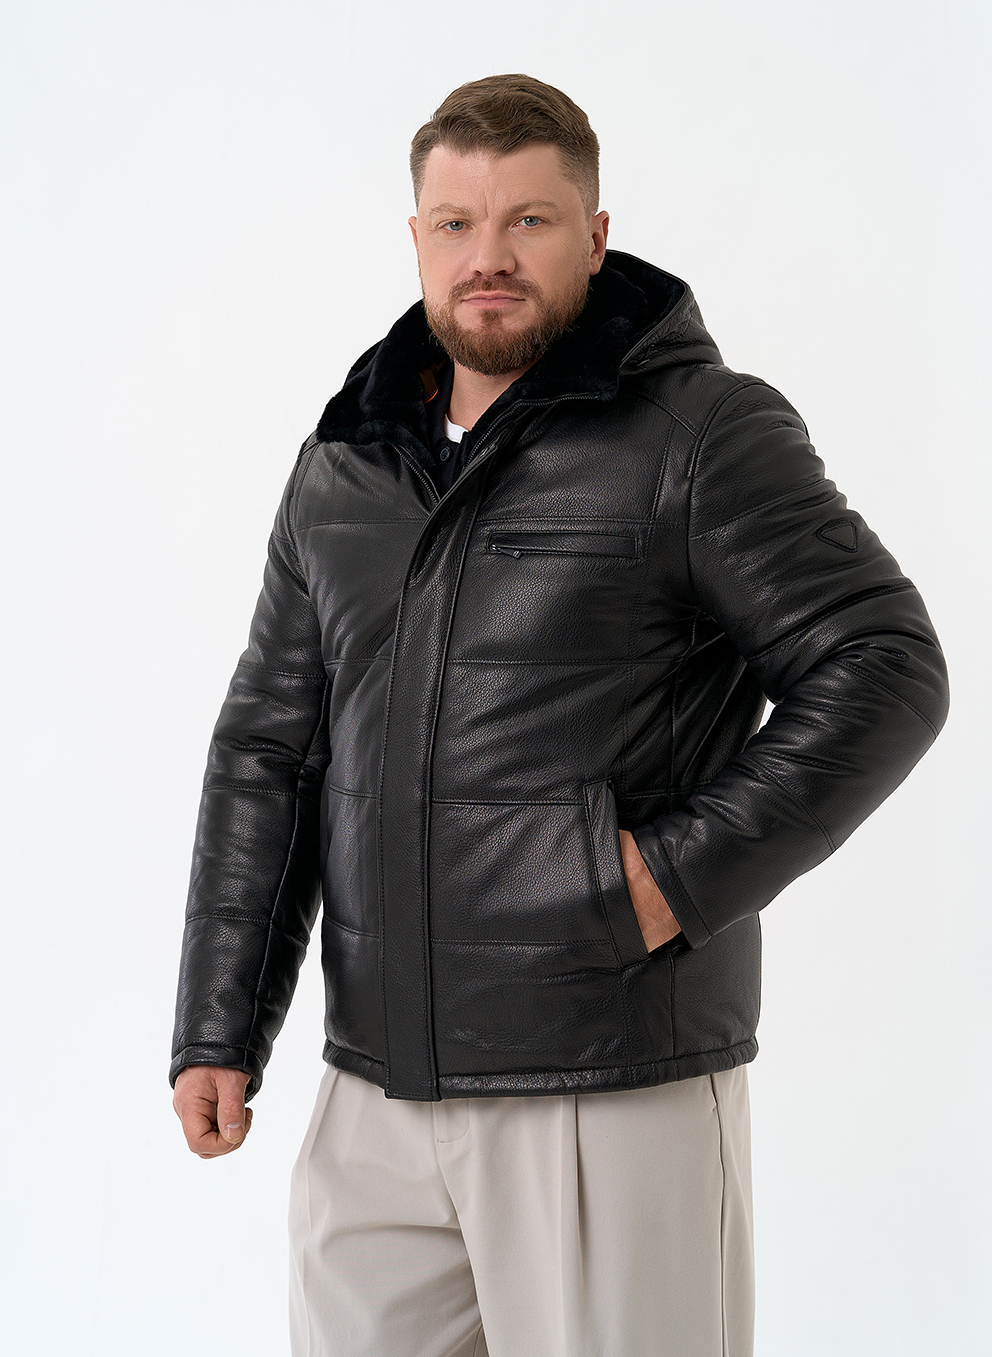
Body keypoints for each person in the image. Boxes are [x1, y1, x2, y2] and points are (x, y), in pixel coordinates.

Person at [170, 74, 949, 1357]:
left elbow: (882, 665)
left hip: (607, 1074)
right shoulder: (344, 462)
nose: (487, 257)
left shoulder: (698, 434)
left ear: (592, 236)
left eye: (526, 221)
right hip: (372, 1089)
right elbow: (271, 746)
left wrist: (660, 883)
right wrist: (220, 1019)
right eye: (454, 223)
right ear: (415, 237)